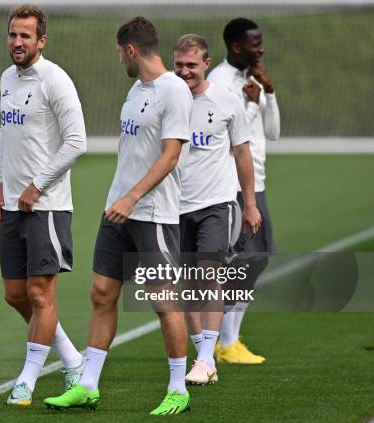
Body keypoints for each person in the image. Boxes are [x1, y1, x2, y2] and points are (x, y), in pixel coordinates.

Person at [43, 17, 193, 416]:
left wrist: (133, 198)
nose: (118, 59)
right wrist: (119, 200)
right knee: (101, 294)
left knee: (163, 301)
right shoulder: (135, 89)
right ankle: (88, 385)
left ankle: (179, 387)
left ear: (130, 49)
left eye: (118, 52)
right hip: (118, 211)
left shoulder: (175, 91)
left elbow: (171, 154)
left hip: (154, 213)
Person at [0, 4, 87, 406]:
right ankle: (72, 359)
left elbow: (77, 142)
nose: (17, 42)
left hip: (46, 207)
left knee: (41, 293)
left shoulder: (55, 80)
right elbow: (5, 131)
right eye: (13, 34)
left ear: (41, 40)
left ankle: (27, 380)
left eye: (25, 35)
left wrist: (37, 185)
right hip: (12, 204)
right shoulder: (7, 79)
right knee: (16, 295)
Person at [173, 34, 261, 384]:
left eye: (191, 65)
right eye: (179, 64)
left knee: (210, 275)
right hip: (174, 207)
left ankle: (208, 357)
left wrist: (250, 204)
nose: (184, 72)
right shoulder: (167, 99)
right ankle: (202, 356)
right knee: (187, 285)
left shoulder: (226, 101)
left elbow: (242, 153)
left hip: (216, 203)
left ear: (206, 63)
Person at [207, 17, 280, 364]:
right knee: (241, 262)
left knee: (258, 259)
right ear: (236, 46)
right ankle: (226, 342)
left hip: (256, 182)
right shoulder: (219, 82)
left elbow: (273, 132)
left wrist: (269, 93)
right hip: (234, 186)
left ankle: (228, 340)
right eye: (255, 43)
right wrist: (249, 104)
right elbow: (225, 140)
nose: (261, 48)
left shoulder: (252, 79)